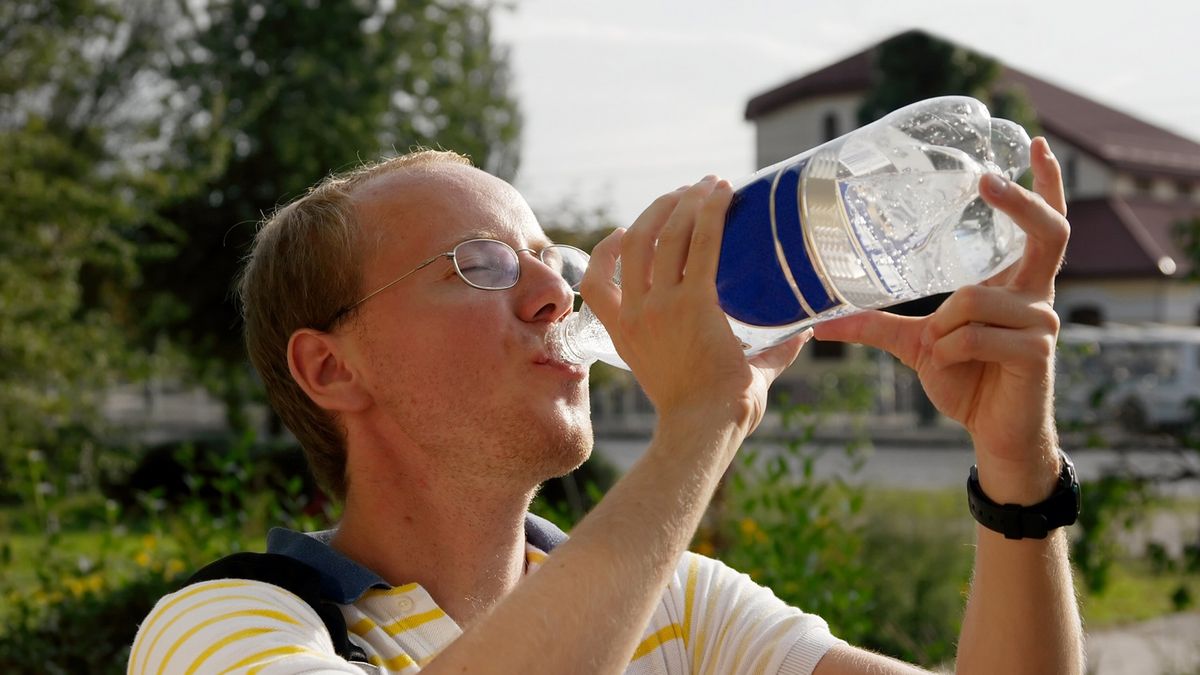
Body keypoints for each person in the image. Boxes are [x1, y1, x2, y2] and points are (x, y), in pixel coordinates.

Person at [128, 137, 1082, 674]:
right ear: (330, 369)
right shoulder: (222, 631)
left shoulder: (679, 604)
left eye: (552, 258)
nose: (554, 294)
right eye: (483, 263)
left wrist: (1017, 475)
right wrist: (702, 424)